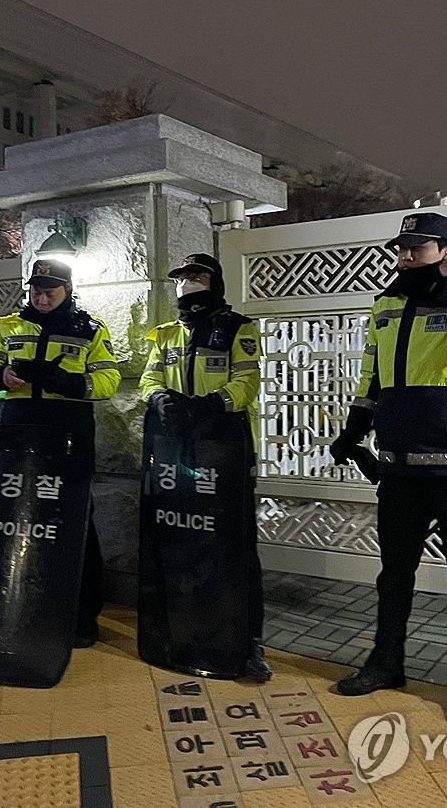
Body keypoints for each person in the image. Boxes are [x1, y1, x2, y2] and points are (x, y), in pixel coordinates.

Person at [330, 212, 447, 727]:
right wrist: (353, 428)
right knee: (394, 574)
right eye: (402, 247)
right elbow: (375, 375)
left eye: (418, 247)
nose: (406, 256)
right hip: (400, 462)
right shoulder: (386, 302)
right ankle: (386, 662)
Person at [139, 253, 271, 682]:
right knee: (180, 538)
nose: (187, 284)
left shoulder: (237, 328)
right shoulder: (165, 334)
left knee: (232, 545)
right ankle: (180, 632)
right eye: (181, 278)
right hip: (176, 454)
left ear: (213, 282)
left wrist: (209, 406)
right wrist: (162, 400)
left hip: (224, 453)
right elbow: (148, 380)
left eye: (196, 276)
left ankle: (246, 640)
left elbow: (246, 383)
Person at [0, 258, 121, 648]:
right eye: (36, 290)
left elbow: (108, 380)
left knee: (73, 525)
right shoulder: (11, 326)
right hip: (18, 439)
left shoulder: (90, 330)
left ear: (67, 291)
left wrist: (69, 382)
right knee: (12, 523)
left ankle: (81, 619)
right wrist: (0, 376)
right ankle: (13, 607)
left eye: (49, 291)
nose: (40, 298)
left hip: (66, 441)